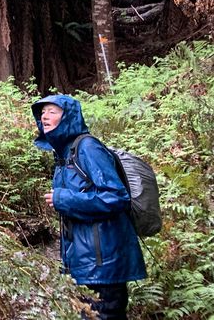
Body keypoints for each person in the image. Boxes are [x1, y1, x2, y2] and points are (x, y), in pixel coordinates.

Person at [32, 94, 146, 320]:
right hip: (85, 264)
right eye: (42, 112)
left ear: (68, 118)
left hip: (103, 265)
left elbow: (116, 196)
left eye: (52, 112)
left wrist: (64, 199)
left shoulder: (87, 148)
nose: (45, 116)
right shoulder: (64, 156)